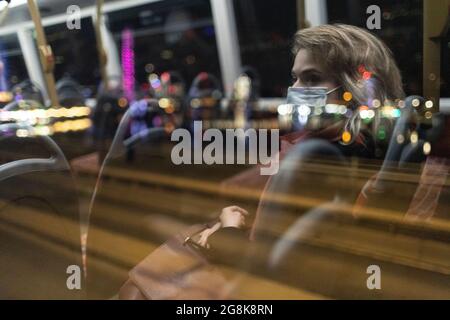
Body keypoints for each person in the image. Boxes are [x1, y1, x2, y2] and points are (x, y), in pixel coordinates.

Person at [194, 24, 406, 261]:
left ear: (361, 90)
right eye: (295, 77)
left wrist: (228, 227)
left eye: (312, 78)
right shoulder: (358, 144)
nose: (294, 89)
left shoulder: (321, 157)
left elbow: (257, 264)